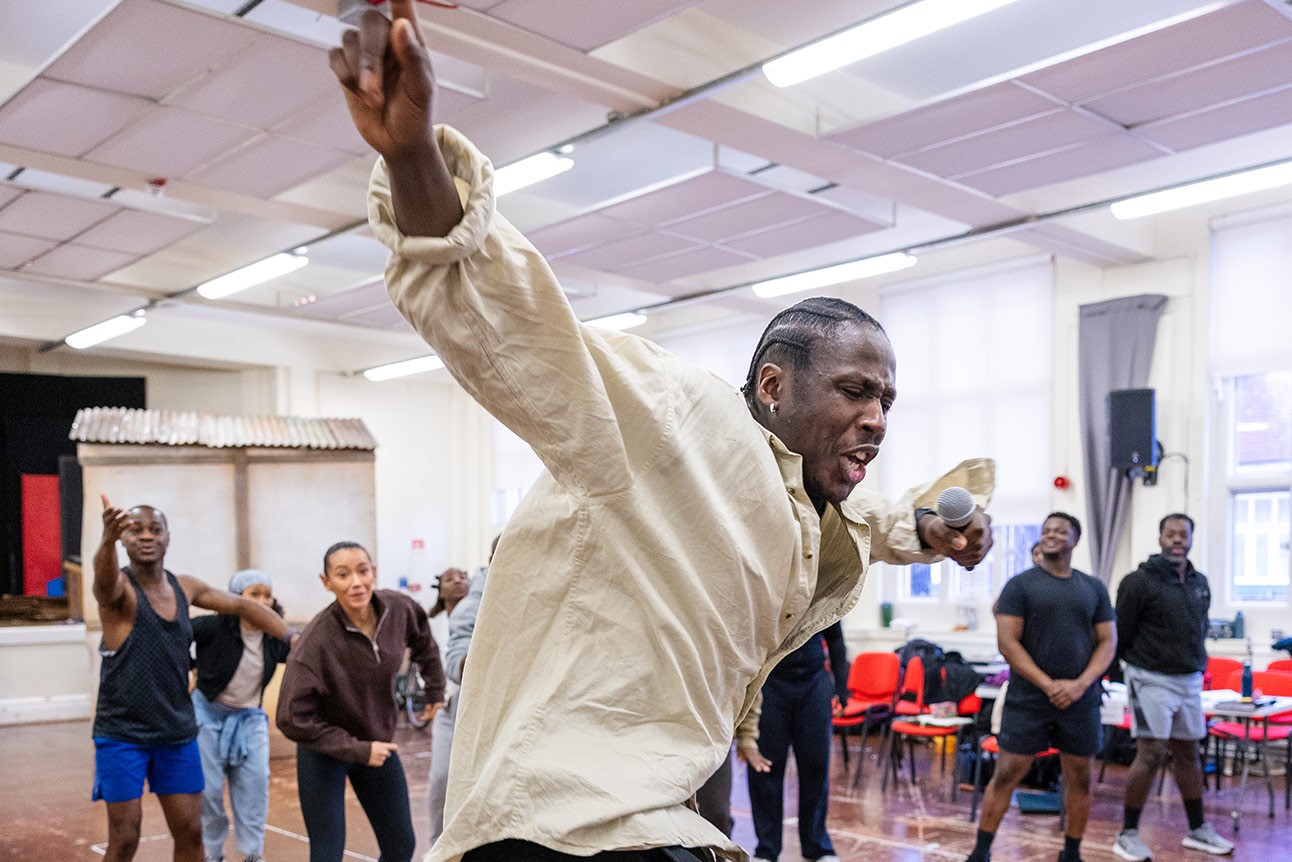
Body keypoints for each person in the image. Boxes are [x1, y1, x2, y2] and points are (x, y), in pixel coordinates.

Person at [327, 7, 995, 862]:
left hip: (649, 821)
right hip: (560, 828)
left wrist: (930, 530)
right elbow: (515, 322)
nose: (876, 417)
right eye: (856, 390)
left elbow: (863, 527)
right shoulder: (678, 419)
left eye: (888, 402)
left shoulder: (800, 513)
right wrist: (412, 154)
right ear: (773, 386)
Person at [92, 498, 293, 862]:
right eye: (135, 530)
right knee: (124, 838)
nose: (146, 537)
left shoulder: (184, 588)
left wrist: (293, 639)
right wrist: (106, 541)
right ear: (124, 539)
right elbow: (103, 586)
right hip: (122, 733)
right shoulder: (119, 590)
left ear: (168, 538)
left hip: (177, 733)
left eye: (155, 529)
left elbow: (245, 606)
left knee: (191, 832)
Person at [276, 541, 445, 862]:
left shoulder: (400, 609)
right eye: (343, 574)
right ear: (327, 582)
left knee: (400, 846)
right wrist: (357, 750)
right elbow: (291, 717)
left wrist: (435, 688)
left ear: (374, 572)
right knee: (326, 854)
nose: (356, 582)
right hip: (324, 751)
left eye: (362, 571)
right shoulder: (316, 642)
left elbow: (425, 642)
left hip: (376, 743)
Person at [967, 512, 1115, 862]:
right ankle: (981, 852)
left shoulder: (1093, 587)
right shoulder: (1019, 586)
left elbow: (1107, 643)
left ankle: (1072, 853)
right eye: (1046, 530)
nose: (1051, 535)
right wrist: (1048, 684)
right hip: (1029, 698)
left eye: (1060, 531)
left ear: (1074, 540)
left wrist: (1079, 685)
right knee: (1006, 775)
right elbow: (1008, 643)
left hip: (1080, 700)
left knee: (1079, 778)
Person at [1112, 514, 1233, 860]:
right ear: (1160, 537)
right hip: (1149, 678)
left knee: (1188, 753)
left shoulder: (1199, 582)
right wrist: (1121, 673)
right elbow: (1122, 631)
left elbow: (1200, 626)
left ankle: (1198, 830)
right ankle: (1128, 834)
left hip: (1189, 679)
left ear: (1191, 538)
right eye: (1171, 534)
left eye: (1183, 534)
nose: (1177, 540)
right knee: (1150, 752)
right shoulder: (1138, 582)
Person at [191, 569, 294, 862]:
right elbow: (174, 634)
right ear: (236, 599)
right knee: (208, 789)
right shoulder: (213, 626)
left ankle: (252, 852)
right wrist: (188, 667)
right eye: (254, 594)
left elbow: (304, 655)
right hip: (207, 714)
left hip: (250, 718)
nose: (262, 601)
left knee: (255, 783)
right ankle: (212, 853)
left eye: (267, 595)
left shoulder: (276, 635)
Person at [747, 623, 849, 862]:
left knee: (816, 766)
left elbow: (836, 640)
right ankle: (766, 849)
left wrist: (841, 690)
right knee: (765, 768)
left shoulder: (820, 587)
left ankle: (817, 847)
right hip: (769, 684)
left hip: (814, 684)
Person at [427, 566, 470, 844]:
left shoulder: (480, 614)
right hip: (446, 708)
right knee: (442, 777)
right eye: (449, 578)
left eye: (463, 576)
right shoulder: (433, 624)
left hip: (475, 708)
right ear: (440, 589)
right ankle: (436, 846)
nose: (457, 581)